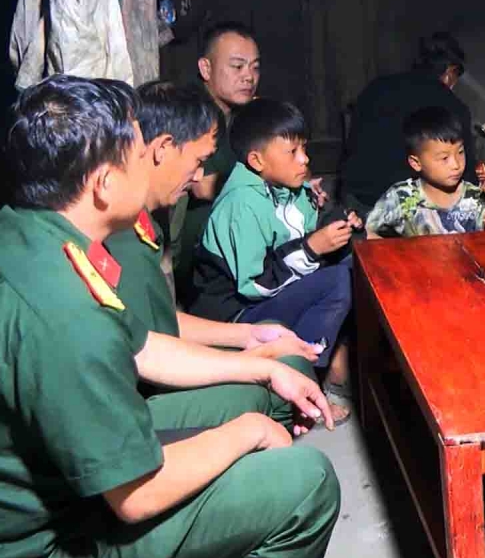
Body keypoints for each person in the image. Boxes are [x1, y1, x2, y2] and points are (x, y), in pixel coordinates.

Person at [0, 75, 339, 558]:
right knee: (306, 483)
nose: (153, 161)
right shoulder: (61, 312)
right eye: (139, 154)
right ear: (104, 183)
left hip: (59, 490)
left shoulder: (30, 233)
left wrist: (262, 367)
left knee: (260, 394)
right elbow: (137, 494)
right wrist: (251, 431)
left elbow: (141, 345)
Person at [109, 80, 323, 431]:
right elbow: (147, 352)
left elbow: (158, 323)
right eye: (198, 161)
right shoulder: (118, 233)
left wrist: (248, 336)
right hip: (132, 405)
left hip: (156, 362)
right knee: (271, 390)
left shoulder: (145, 222)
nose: (198, 176)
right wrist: (259, 362)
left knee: (277, 343)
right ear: (163, 148)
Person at [191, 99, 358, 421]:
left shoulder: (283, 186)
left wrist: (335, 223)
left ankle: (325, 363)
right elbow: (254, 285)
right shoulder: (243, 203)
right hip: (235, 315)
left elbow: (298, 233)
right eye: (292, 152)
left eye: (304, 148)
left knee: (354, 261)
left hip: (266, 293)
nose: (305, 159)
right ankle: (303, 383)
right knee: (338, 281)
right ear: (257, 160)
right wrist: (312, 248)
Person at [172, 22, 264, 307]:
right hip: (188, 258)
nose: (249, 76)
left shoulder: (240, 114)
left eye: (255, 67)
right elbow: (202, 185)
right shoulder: (193, 111)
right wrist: (273, 185)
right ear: (206, 68)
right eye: (237, 67)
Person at [342, 32, 477, 219]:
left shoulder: (376, 87)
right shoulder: (452, 105)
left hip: (358, 202)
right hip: (411, 212)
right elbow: (465, 174)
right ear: (450, 72)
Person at [366, 105, 485, 238]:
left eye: (460, 152)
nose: (456, 164)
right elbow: (370, 234)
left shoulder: (477, 199)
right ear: (416, 163)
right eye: (444, 158)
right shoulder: (400, 198)